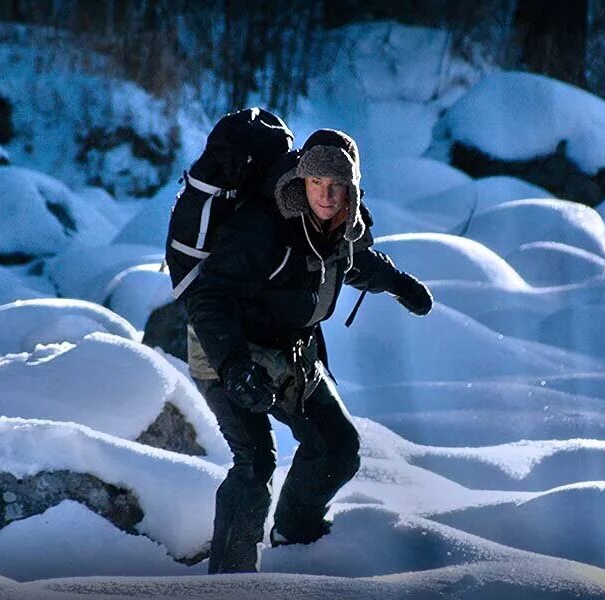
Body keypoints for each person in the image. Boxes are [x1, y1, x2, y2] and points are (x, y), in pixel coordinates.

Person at [183, 128, 433, 573]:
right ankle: (228, 581)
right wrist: (235, 365)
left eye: (338, 185)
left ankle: (296, 542)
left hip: (290, 355)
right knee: (256, 462)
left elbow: (352, 261)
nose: (327, 194)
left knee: (337, 446)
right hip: (226, 349)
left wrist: (399, 285)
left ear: (352, 190)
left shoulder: (339, 227)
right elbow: (209, 297)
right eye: (317, 183)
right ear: (301, 181)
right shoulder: (262, 228)